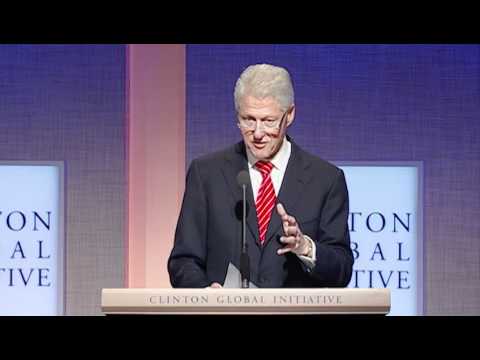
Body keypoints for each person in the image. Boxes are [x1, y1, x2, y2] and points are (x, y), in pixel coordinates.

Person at [168, 64, 353, 288]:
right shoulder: (206, 174)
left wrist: (305, 247)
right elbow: (183, 261)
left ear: (290, 115)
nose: (257, 133)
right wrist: (204, 294)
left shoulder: (326, 180)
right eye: (248, 119)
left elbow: (341, 269)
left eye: (268, 121)